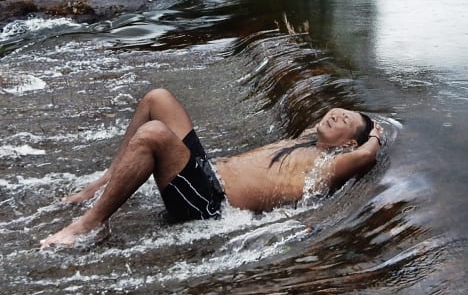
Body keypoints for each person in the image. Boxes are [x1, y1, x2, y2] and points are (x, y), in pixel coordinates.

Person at [40, 88, 384, 248]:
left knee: (154, 135)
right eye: (340, 110)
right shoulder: (309, 138)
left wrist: (376, 137)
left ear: (348, 144)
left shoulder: (331, 163)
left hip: (210, 203)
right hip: (204, 172)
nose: (337, 114)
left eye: (346, 120)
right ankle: (102, 185)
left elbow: (366, 157)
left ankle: (90, 224)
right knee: (157, 99)